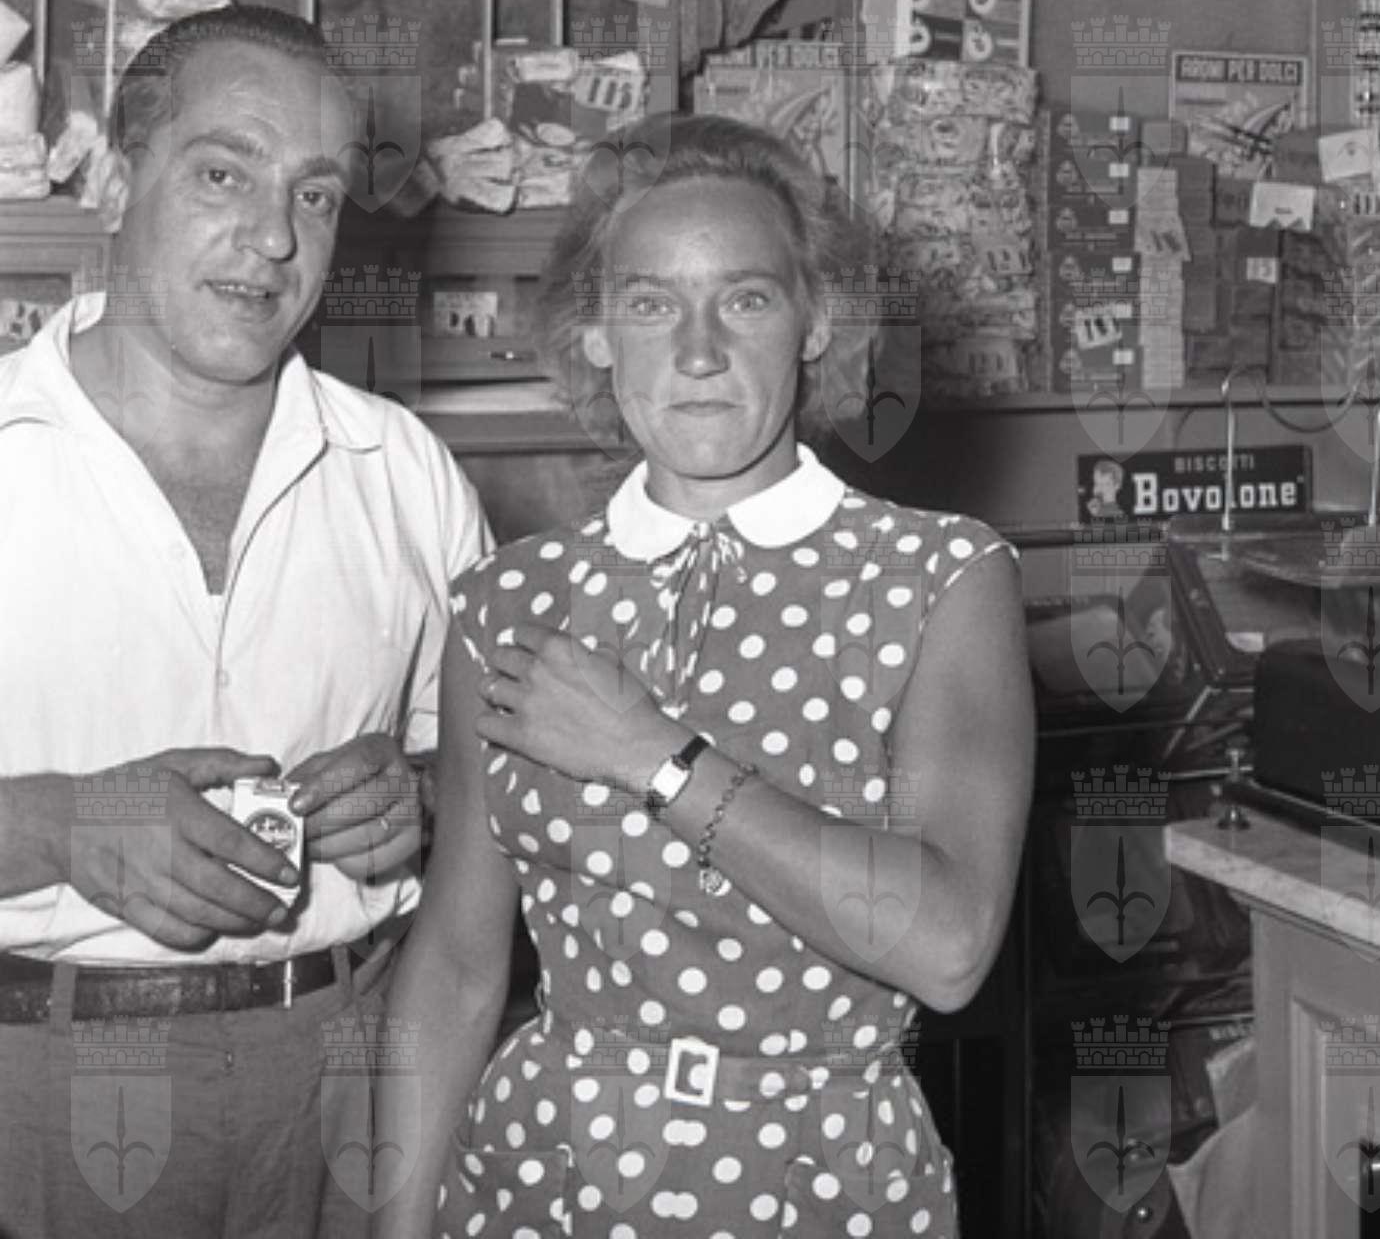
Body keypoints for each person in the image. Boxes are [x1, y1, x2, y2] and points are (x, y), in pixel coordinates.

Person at [380, 115, 1034, 1238]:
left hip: (823, 1178)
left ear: (815, 320)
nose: (696, 351)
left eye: (745, 300)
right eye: (649, 304)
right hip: (543, 1176)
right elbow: (452, 965)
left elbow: (947, 945)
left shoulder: (937, 576)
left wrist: (653, 757)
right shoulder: (506, 600)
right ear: (595, 334)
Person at [0, 6, 491, 1239]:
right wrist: (56, 822)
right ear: (113, 179)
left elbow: (495, 794)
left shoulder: (404, 472)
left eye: (314, 195)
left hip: (350, 1070)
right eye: (223, 173)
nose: (273, 237)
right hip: (35, 1078)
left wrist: (421, 796)